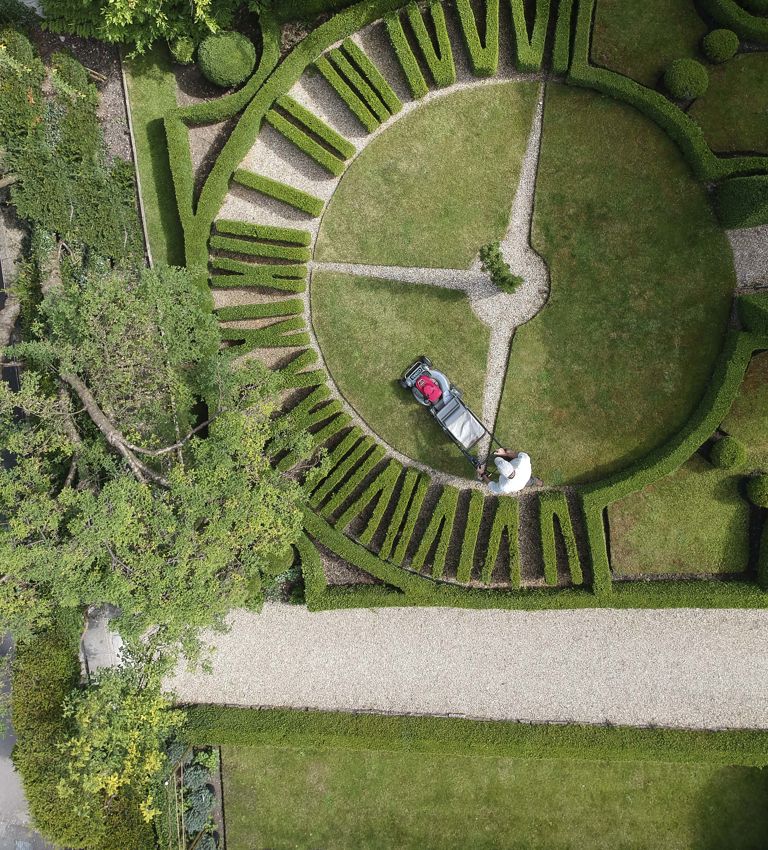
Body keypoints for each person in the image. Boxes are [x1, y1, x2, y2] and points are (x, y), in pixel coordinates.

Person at [476, 448, 541, 494]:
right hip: (525, 476)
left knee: (529, 482)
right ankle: (539, 482)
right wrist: (505, 453)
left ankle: (537, 482)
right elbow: (517, 454)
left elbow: (493, 487)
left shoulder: (505, 486)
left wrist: (482, 473)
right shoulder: (524, 460)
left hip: (521, 483)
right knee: (530, 481)